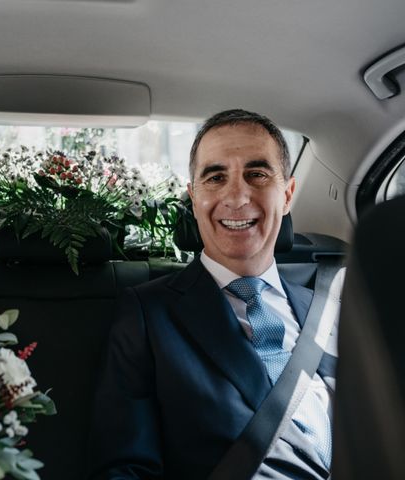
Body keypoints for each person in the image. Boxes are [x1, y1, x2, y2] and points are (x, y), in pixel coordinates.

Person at [87, 109, 338, 479]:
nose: (236, 196)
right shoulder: (148, 315)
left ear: (286, 195)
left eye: (257, 174)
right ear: (193, 198)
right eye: (215, 177)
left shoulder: (333, 307)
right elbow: (124, 468)